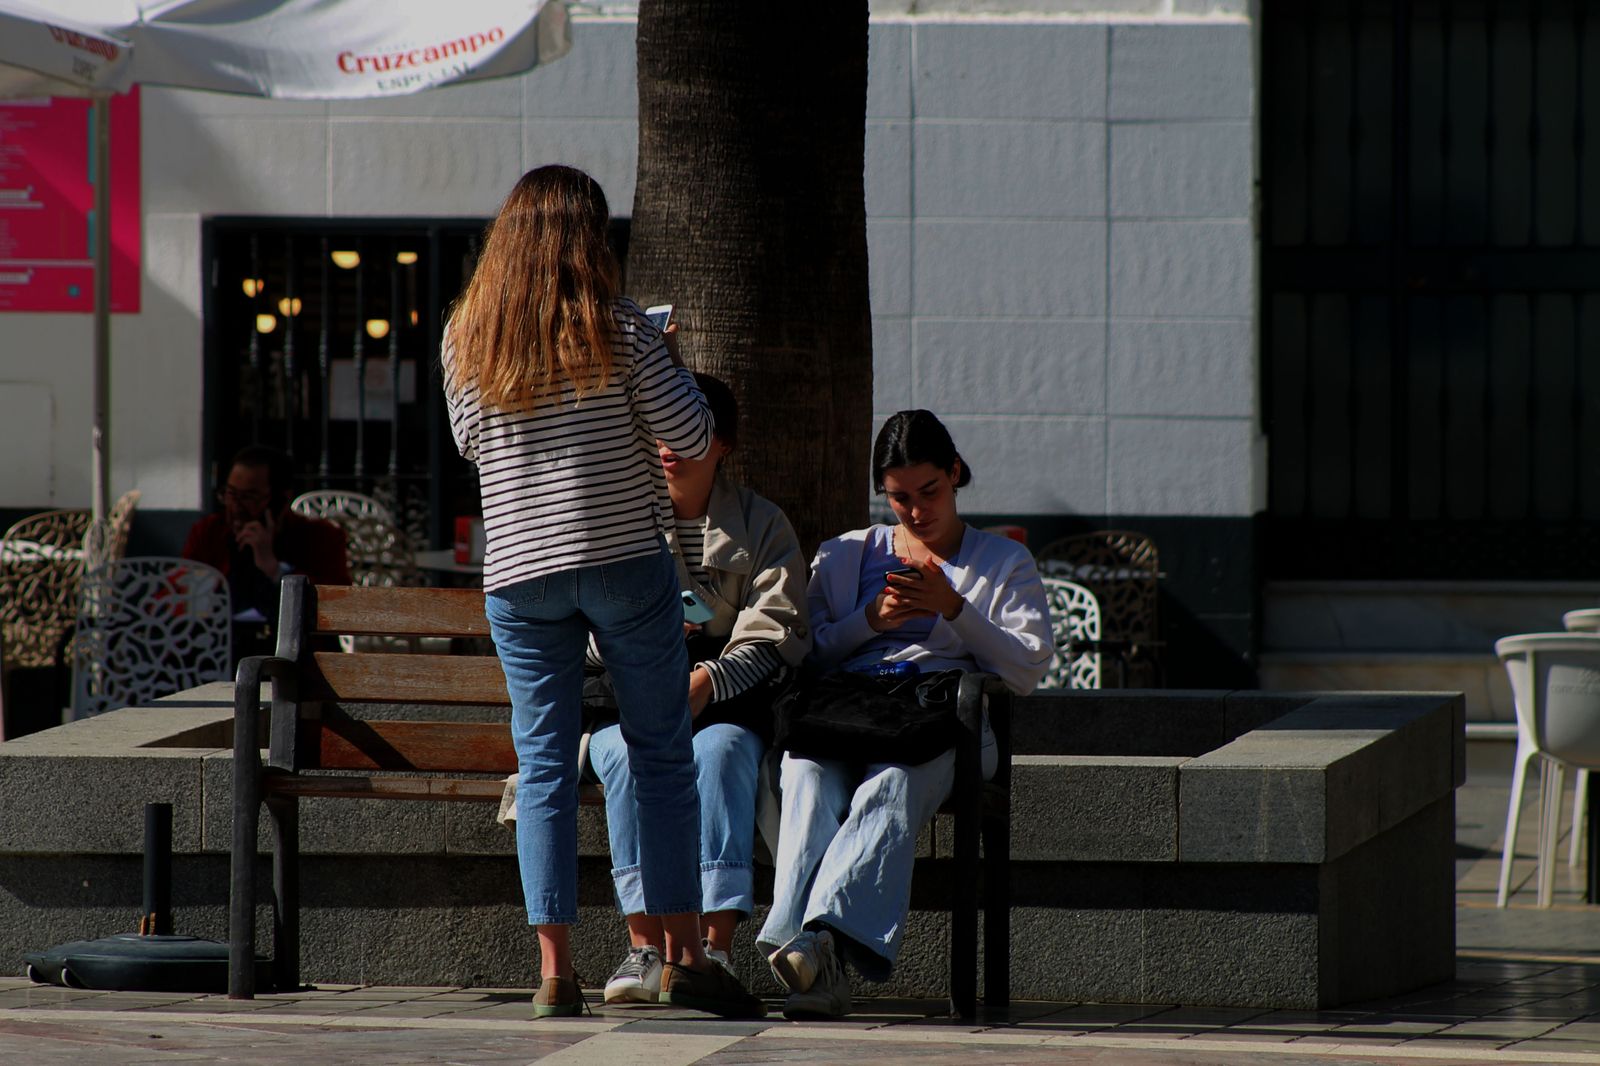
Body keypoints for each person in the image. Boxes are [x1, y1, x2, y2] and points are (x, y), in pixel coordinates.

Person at [441, 165, 764, 1019]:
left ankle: (555, 973)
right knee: (662, 755)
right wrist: (666, 353)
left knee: (544, 768)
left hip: (519, 575)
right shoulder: (621, 331)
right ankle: (686, 956)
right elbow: (692, 435)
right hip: (622, 558)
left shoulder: (468, 335)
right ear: (590, 240)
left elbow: (471, 443)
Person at [755, 409, 1053, 1019]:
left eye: (930, 492)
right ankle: (817, 958)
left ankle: (811, 942)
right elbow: (804, 655)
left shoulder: (1001, 563)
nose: (917, 511)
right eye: (899, 498)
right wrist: (871, 622)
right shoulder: (845, 555)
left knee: (892, 781)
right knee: (806, 773)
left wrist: (954, 609)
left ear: (955, 473)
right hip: (849, 714)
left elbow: (1025, 669)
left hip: (944, 719)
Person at [583, 373, 811, 1005]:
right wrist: (642, 642)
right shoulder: (618, 519)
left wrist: (707, 680)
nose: (669, 445)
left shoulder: (763, 526)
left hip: (724, 703)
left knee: (721, 754)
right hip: (627, 698)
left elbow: (777, 631)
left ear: (723, 446)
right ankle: (647, 946)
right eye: (660, 428)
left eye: (688, 432)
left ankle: (709, 952)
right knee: (628, 759)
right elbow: (580, 627)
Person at [180, 444, 350, 659]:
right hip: (215, 654)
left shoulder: (320, 537)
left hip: (295, 659)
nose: (236, 507)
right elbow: (180, 596)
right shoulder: (209, 532)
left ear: (281, 499)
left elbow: (337, 608)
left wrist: (274, 568)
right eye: (231, 494)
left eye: (250, 497)